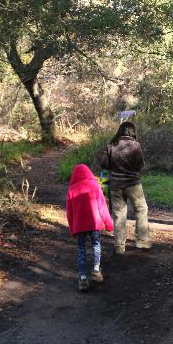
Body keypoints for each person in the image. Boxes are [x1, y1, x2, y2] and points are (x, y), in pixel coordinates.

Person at [99, 122, 150, 254]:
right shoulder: (135, 146)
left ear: (120, 131)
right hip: (133, 184)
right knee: (141, 210)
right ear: (132, 132)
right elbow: (140, 166)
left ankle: (119, 247)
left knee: (119, 215)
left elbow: (104, 164)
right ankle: (142, 241)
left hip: (115, 185)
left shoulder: (111, 145)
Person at [66, 164, 114, 292]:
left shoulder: (72, 189)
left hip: (79, 226)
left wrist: (72, 229)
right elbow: (102, 207)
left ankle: (82, 278)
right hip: (94, 224)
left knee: (82, 250)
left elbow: (69, 213)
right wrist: (108, 224)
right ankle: (96, 270)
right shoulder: (95, 186)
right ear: (88, 173)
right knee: (96, 245)